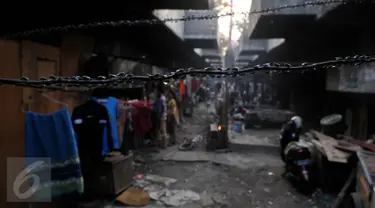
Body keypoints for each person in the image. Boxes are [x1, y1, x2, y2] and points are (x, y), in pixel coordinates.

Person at [157, 84, 169, 148]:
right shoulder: (163, 97)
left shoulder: (161, 98)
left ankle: (165, 144)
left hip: (162, 115)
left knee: (163, 130)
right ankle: (163, 143)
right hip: (164, 114)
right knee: (162, 129)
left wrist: (160, 114)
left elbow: (162, 107)